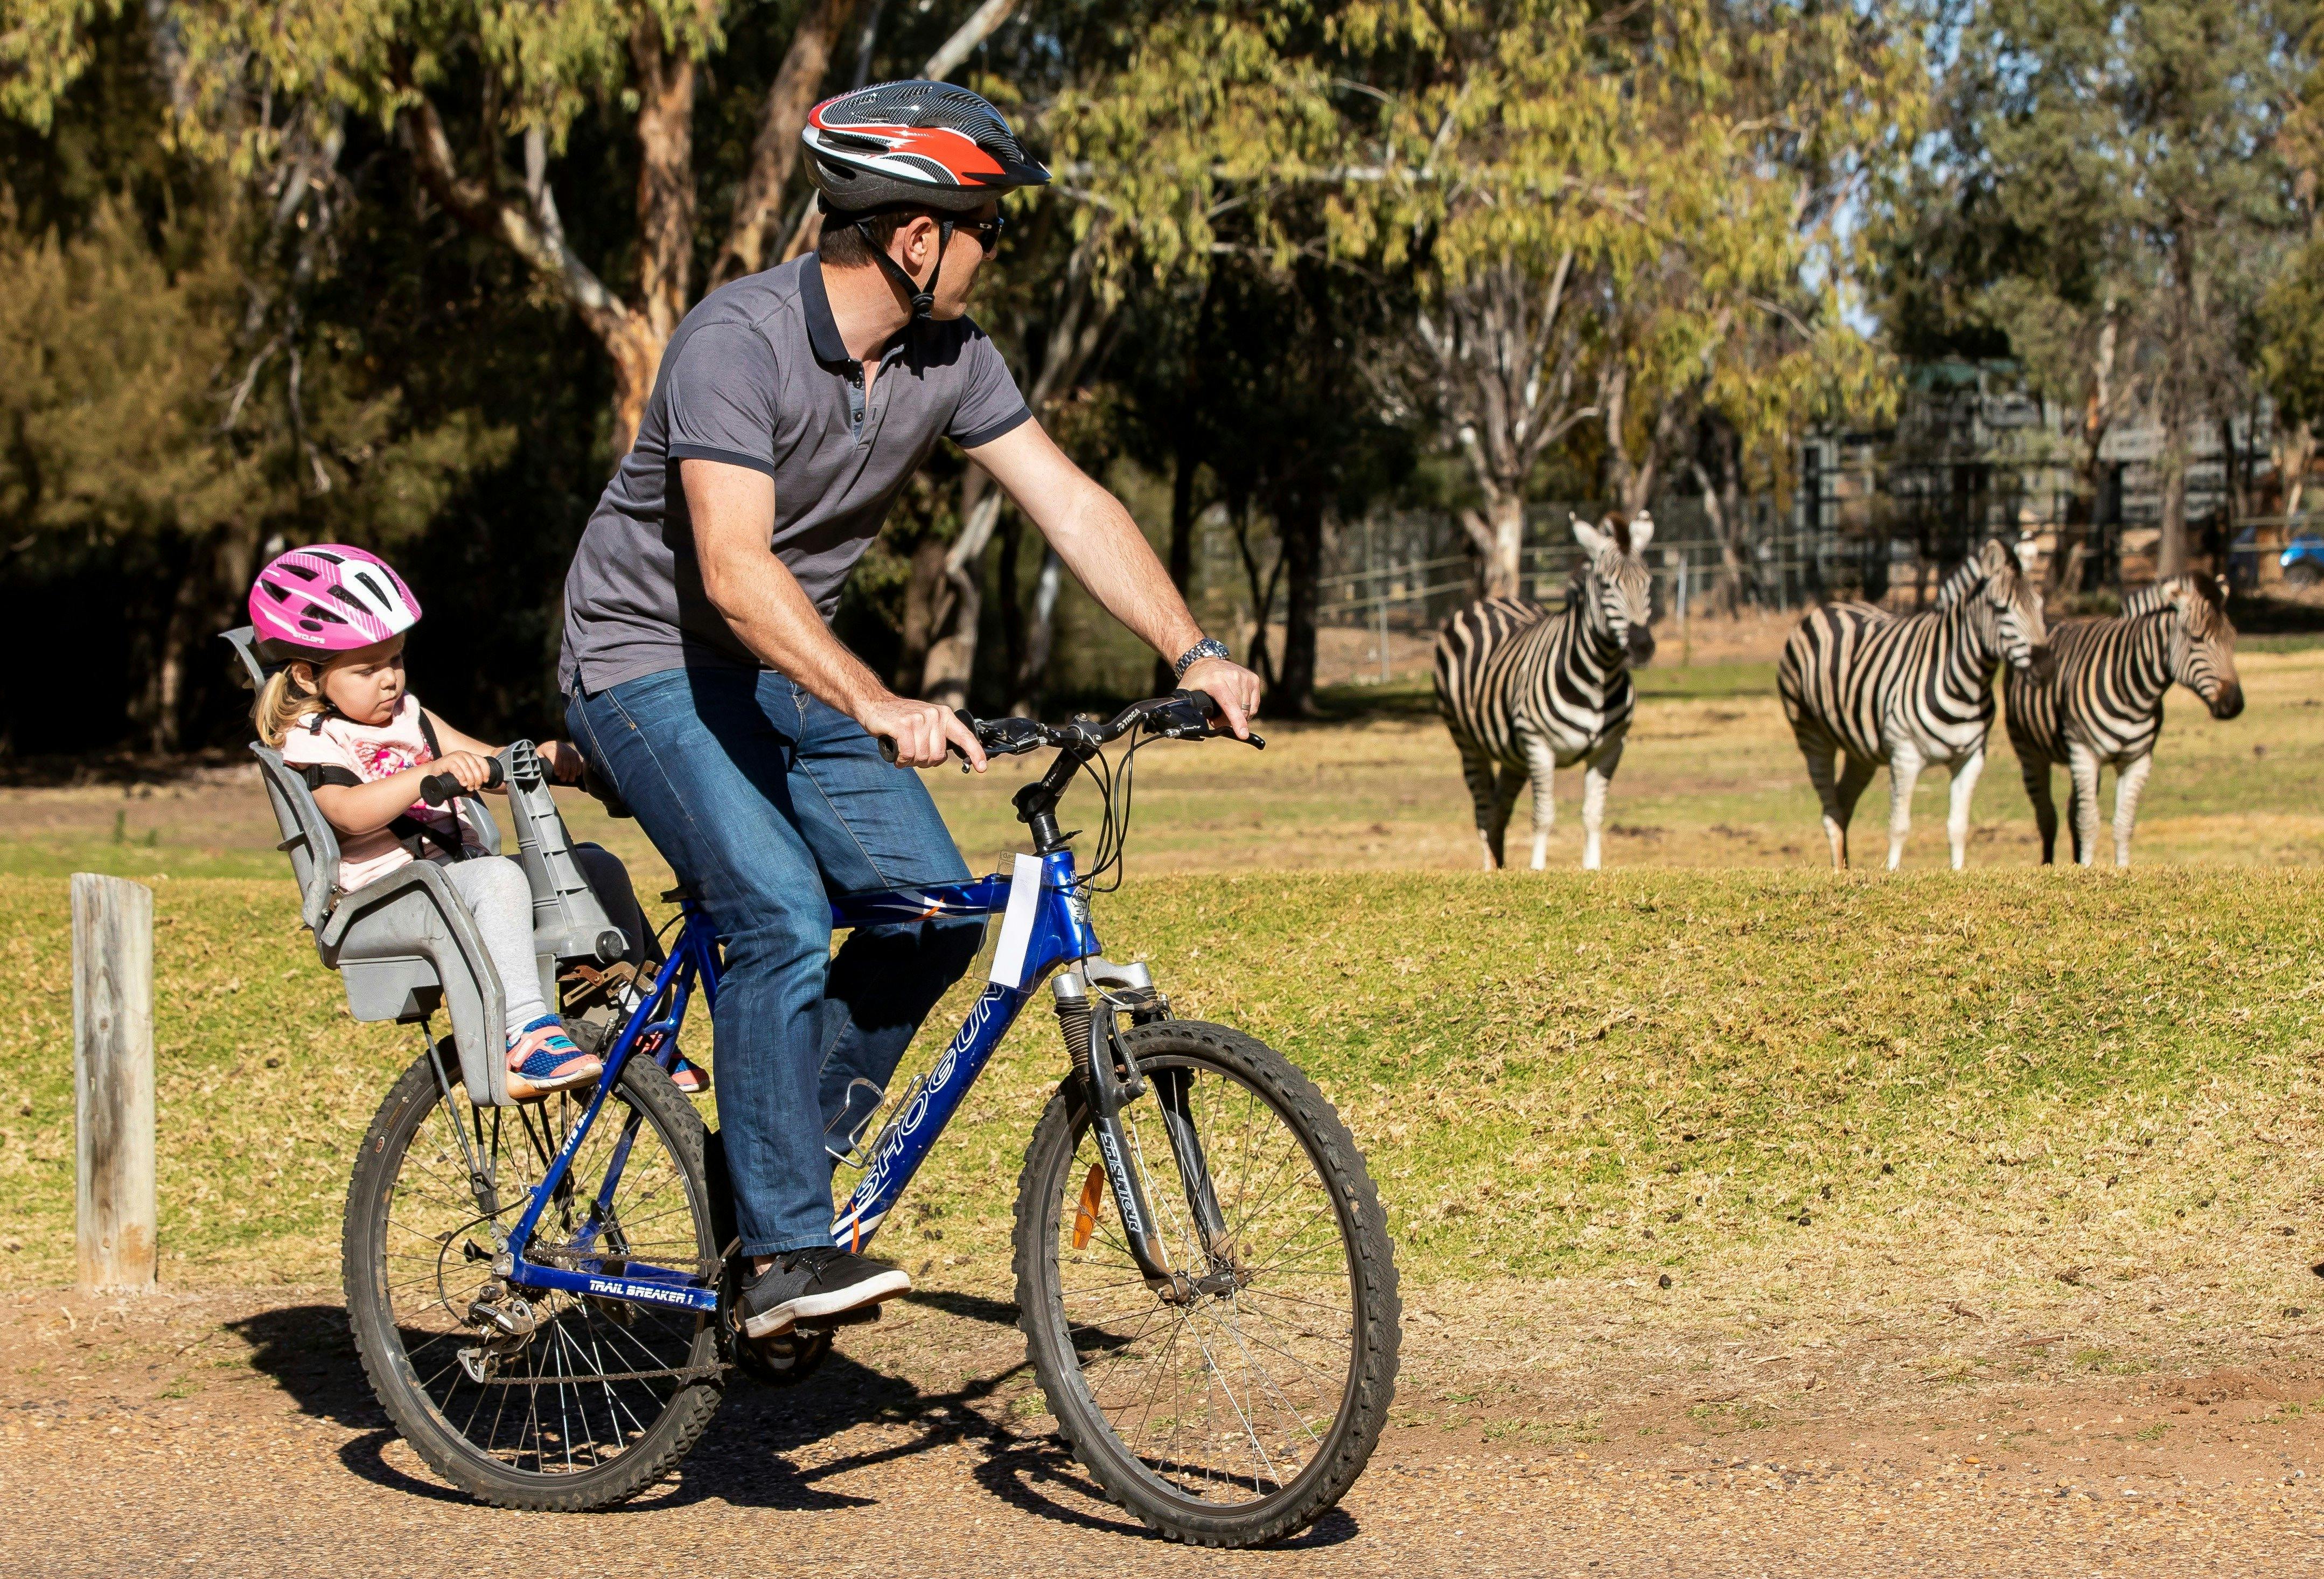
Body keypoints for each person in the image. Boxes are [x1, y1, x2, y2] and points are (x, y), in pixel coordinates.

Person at [560, 80, 1262, 1340]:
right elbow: (732, 568)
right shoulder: (738, 341)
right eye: (989, 222)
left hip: (781, 671)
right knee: (772, 905)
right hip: (645, 661)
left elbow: (1070, 501)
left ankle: (767, 1177)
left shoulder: (952, 359)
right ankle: (782, 1255)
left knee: (931, 914)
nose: (1002, 247)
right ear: (916, 236)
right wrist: (877, 697)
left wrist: (1193, 648)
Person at [249, 544, 665, 1101]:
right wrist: (427, 775)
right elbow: (347, 814)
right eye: (368, 669)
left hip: (452, 883)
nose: (390, 680)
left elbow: (488, 766)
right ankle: (528, 1033)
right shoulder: (319, 738)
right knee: (498, 876)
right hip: (389, 898)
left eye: (395, 660)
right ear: (306, 676)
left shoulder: (413, 718)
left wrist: (538, 758)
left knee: (598, 865)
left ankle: (633, 1019)